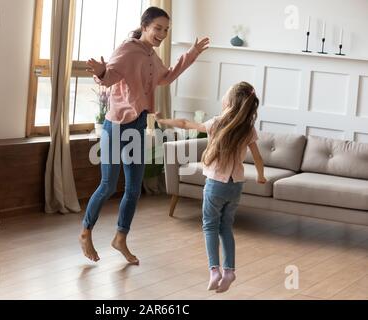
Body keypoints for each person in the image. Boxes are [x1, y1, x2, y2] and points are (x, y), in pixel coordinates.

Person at [79, 6, 210, 265]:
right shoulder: (128, 49)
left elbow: (167, 76)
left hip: (139, 125)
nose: (162, 33)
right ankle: (86, 231)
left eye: (166, 30)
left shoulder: (152, 55)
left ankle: (120, 238)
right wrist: (100, 71)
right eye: (158, 28)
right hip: (116, 125)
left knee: (133, 189)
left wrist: (192, 53)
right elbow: (109, 78)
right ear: (145, 26)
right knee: (107, 185)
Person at [156, 81, 267, 292]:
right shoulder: (248, 129)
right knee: (226, 227)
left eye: (225, 94)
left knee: (209, 226)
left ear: (231, 101)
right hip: (235, 187)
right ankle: (230, 271)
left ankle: (214, 270)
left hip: (215, 185)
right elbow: (258, 157)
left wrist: (162, 119)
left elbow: (184, 123)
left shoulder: (217, 122)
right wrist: (261, 176)